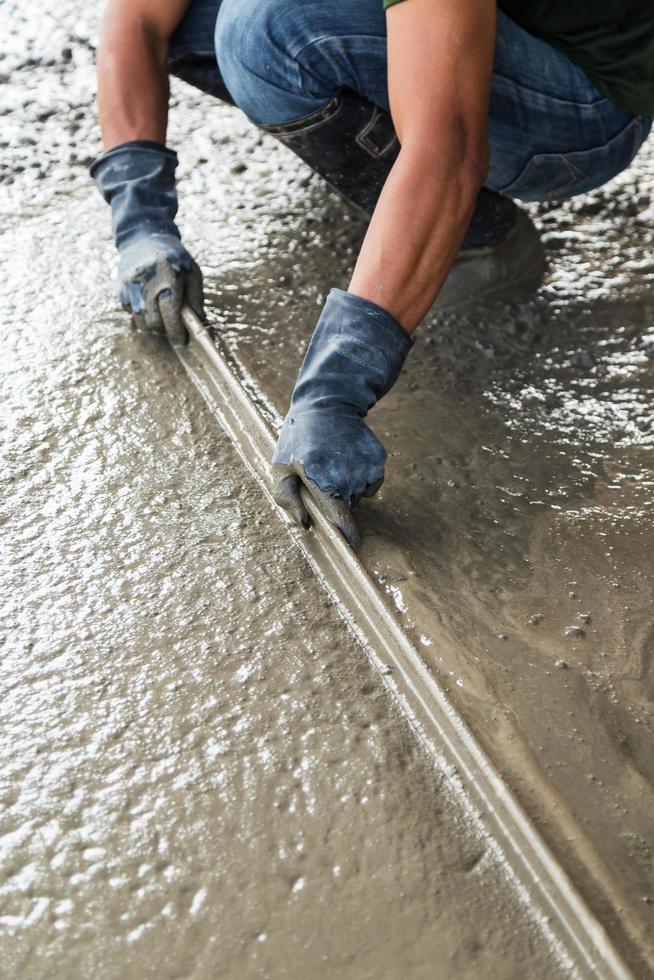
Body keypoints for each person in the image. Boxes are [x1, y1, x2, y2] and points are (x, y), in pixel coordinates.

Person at [92, 0, 654, 547]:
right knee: (199, 22)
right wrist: (139, 216)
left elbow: (449, 145)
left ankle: (482, 239)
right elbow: (138, 16)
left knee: (266, 28)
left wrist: (337, 386)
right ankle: (389, 178)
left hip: (588, 97)